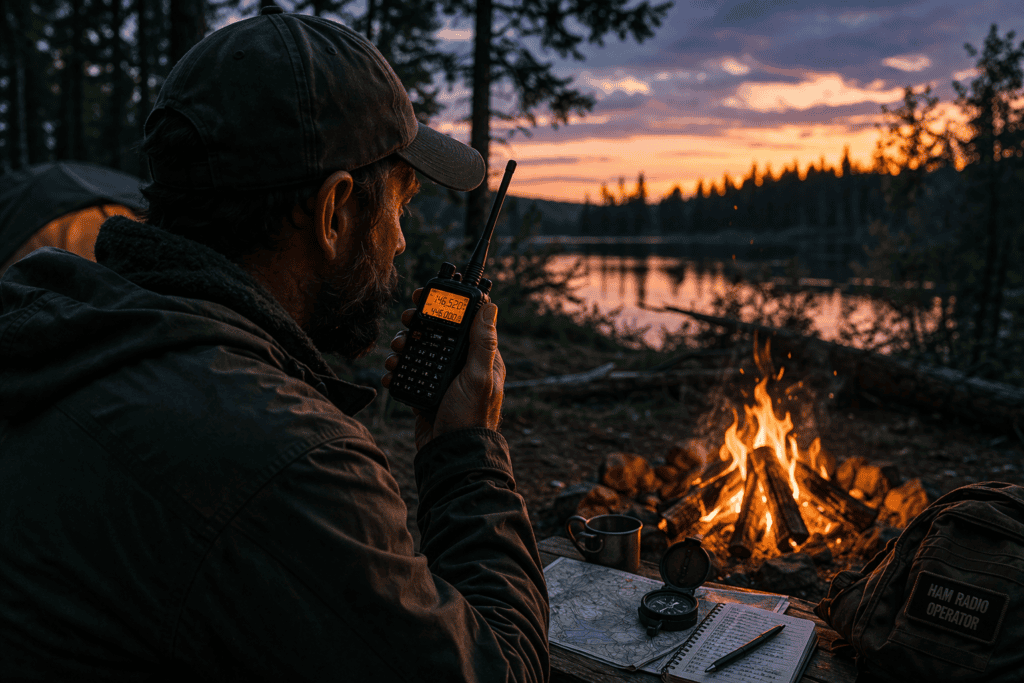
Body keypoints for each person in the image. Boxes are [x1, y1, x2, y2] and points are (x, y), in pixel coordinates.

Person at [0, 8, 549, 682]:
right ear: (334, 211)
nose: (402, 241)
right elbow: (501, 672)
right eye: (399, 207)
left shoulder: (56, 329)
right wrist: (466, 458)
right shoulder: (285, 458)